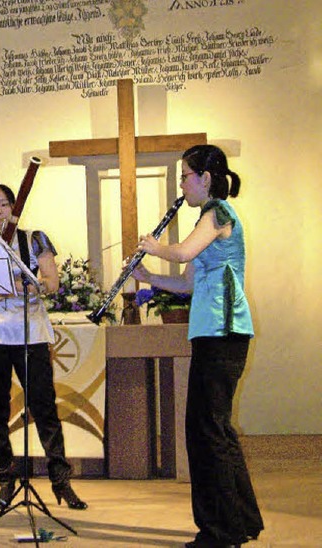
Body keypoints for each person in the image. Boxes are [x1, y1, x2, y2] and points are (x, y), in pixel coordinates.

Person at [133, 145, 263, 547]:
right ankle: (238, 521)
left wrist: (156, 247)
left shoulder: (218, 213)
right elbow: (187, 282)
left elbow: (183, 251)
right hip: (213, 332)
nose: (182, 185)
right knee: (214, 429)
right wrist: (146, 275)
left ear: (206, 178)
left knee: (208, 431)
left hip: (224, 332)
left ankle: (221, 531)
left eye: (185, 176)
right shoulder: (210, 218)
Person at [0, 183, 87, 511]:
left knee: (44, 407)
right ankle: (5, 480)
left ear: (14, 208)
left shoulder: (34, 238)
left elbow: (52, 282)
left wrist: (34, 286)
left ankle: (61, 481)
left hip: (31, 333)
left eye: (4, 204)